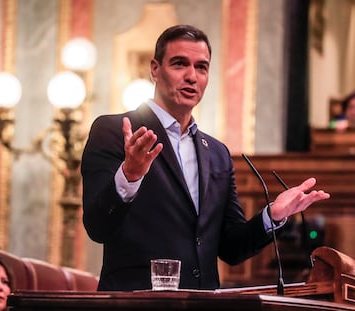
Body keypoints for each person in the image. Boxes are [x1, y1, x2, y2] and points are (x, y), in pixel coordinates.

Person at [81, 24, 330, 291]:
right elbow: (98, 227)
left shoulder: (217, 153)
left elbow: (231, 248)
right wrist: (129, 177)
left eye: (202, 67)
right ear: (155, 69)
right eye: (179, 64)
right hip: (135, 301)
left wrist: (273, 216)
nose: (192, 76)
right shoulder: (116, 131)